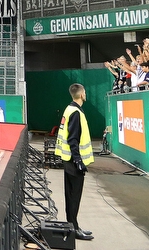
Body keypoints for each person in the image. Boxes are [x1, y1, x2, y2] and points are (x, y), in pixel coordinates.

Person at [54, 83, 94, 241]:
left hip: (68, 160)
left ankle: (74, 226)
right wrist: (78, 160)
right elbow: (73, 138)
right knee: (73, 196)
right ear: (82, 94)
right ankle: (74, 229)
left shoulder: (69, 109)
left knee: (71, 195)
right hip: (73, 161)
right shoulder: (76, 112)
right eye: (84, 92)